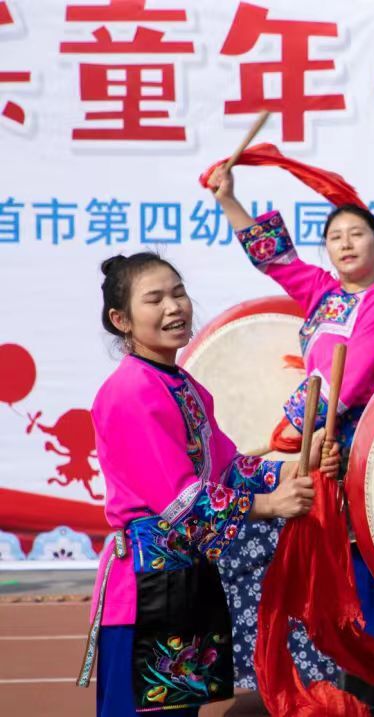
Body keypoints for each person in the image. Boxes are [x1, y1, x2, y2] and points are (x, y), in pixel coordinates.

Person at [81, 252, 337, 715]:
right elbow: (179, 500)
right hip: (145, 587)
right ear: (121, 320)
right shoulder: (131, 391)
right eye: (154, 299)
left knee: (181, 711)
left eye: (178, 293)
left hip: (186, 576)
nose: (174, 307)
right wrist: (271, 505)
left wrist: (296, 467)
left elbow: (228, 468)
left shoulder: (185, 386)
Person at [210, 168, 374, 713]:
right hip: (317, 444)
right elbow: (273, 258)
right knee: (329, 570)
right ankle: (344, 686)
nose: (346, 243)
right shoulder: (324, 294)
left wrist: (286, 433)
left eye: (357, 233)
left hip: (358, 449)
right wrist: (229, 199)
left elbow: (352, 379)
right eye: (335, 236)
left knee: (365, 569)